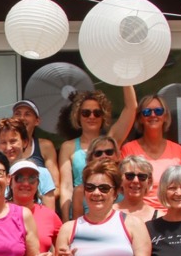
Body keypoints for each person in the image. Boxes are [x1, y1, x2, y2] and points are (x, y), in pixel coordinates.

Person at [57, 88, 137, 218]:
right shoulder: (68, 147)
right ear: (78, 116)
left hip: (113, 204)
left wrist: (125, 75)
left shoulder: (111, 140)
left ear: (103, 116)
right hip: (82, 205)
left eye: (97, 113)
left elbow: (131, 108)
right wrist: (66, 220)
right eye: (86, 113)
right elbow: (66, 187)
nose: (91, 117)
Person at [120, 94, 181, 210]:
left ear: (165, 117)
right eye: (147, 112)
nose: (153, 115)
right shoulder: (128, 150)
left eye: (158, 111)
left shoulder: (178, 151)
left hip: (172, 216)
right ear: (140, 118)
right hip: (139, 215)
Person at [0, 117, 56, 208]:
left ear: (25, 142)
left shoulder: (42, 173)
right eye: (3, 142)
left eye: (13, 141)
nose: (8, 147)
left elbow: (49, 216)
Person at [12, 99, 61, 191]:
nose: (22, 118)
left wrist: (38, 202)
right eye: (17, 114)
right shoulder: (4, 146)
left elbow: (56, 187)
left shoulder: (45, 146)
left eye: (27, 114)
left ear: (37, 121)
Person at [69, 135, 122, 218]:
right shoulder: (80, 191)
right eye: (98, 153)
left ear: (117, 156)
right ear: (90, 159)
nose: (104, 156)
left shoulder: (126, 185)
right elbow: (77, 224)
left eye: (109, 152)